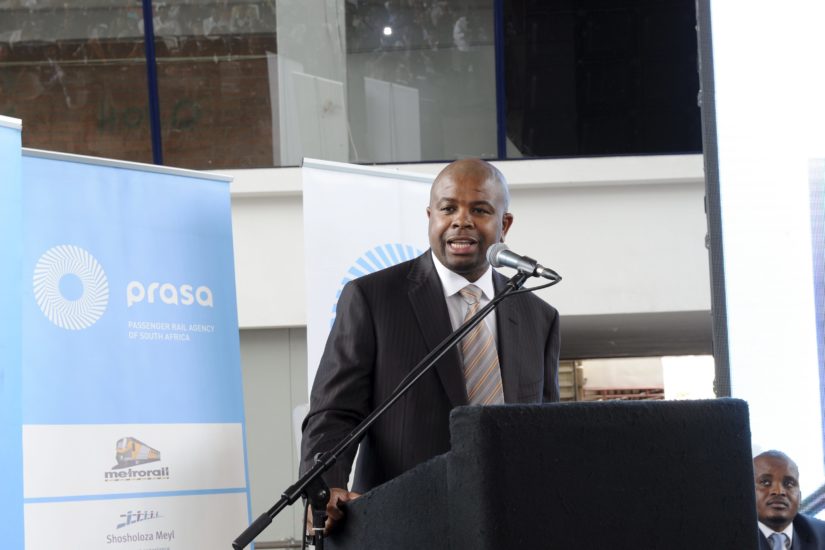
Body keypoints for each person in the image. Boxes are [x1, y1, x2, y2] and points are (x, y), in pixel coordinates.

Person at [299, 158, 560, 533]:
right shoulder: (374, 298)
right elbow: (334, 411)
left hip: (510, 523)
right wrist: (326, 487)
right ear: (430, 217)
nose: (461, 221)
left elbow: (545, 430)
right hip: (404, 523)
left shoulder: (539, 316)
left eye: (480, 210)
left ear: (504, 225)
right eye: (448, 208)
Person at [753, 450, 825, 549]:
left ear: (800, 495)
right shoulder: (732, 533)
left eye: (789, 484)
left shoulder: (821, 535)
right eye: (765, 482)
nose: (778, 491)